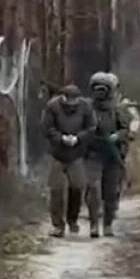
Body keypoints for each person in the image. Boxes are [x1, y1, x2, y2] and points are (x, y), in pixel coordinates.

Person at [41, 84, 96, 237]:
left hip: (76, 153)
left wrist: (78, 138)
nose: (72, 103)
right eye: (69, 99)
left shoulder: (85, 107)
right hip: (57, 153)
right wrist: (61, 138)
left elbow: (91, 128)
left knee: (77, 187)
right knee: (56, 190)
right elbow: (46, 128)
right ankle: (58, 225)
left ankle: (72, 219)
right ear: (63, 97)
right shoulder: (52, 106)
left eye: (75, 100)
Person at [85, 71, 131, 238]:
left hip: (112, 155)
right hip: (93, 154)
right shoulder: (87, 108)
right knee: (93, 189)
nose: (100, 92)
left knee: (111, 192)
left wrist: (116, 136)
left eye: (103, 89)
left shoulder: (118, 108)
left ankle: (108, 224)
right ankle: (93, 224)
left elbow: (125, 129)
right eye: (97, 88)